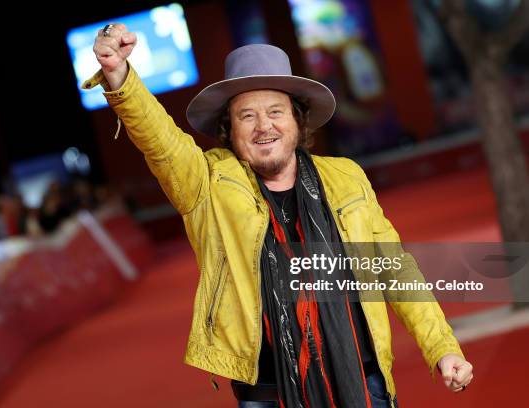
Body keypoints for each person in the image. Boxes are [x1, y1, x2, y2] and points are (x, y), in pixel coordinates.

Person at [86, 23, 473, 408]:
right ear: (229, 130)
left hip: (362, 381)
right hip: (269, 396)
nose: (263, 126)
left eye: (275, 111)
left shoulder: (346, 179)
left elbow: (394, 268)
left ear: (297, 120)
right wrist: (120, 77)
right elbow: (162, 144)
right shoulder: (207, 184)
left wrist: (441, 347)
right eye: (247, 116)